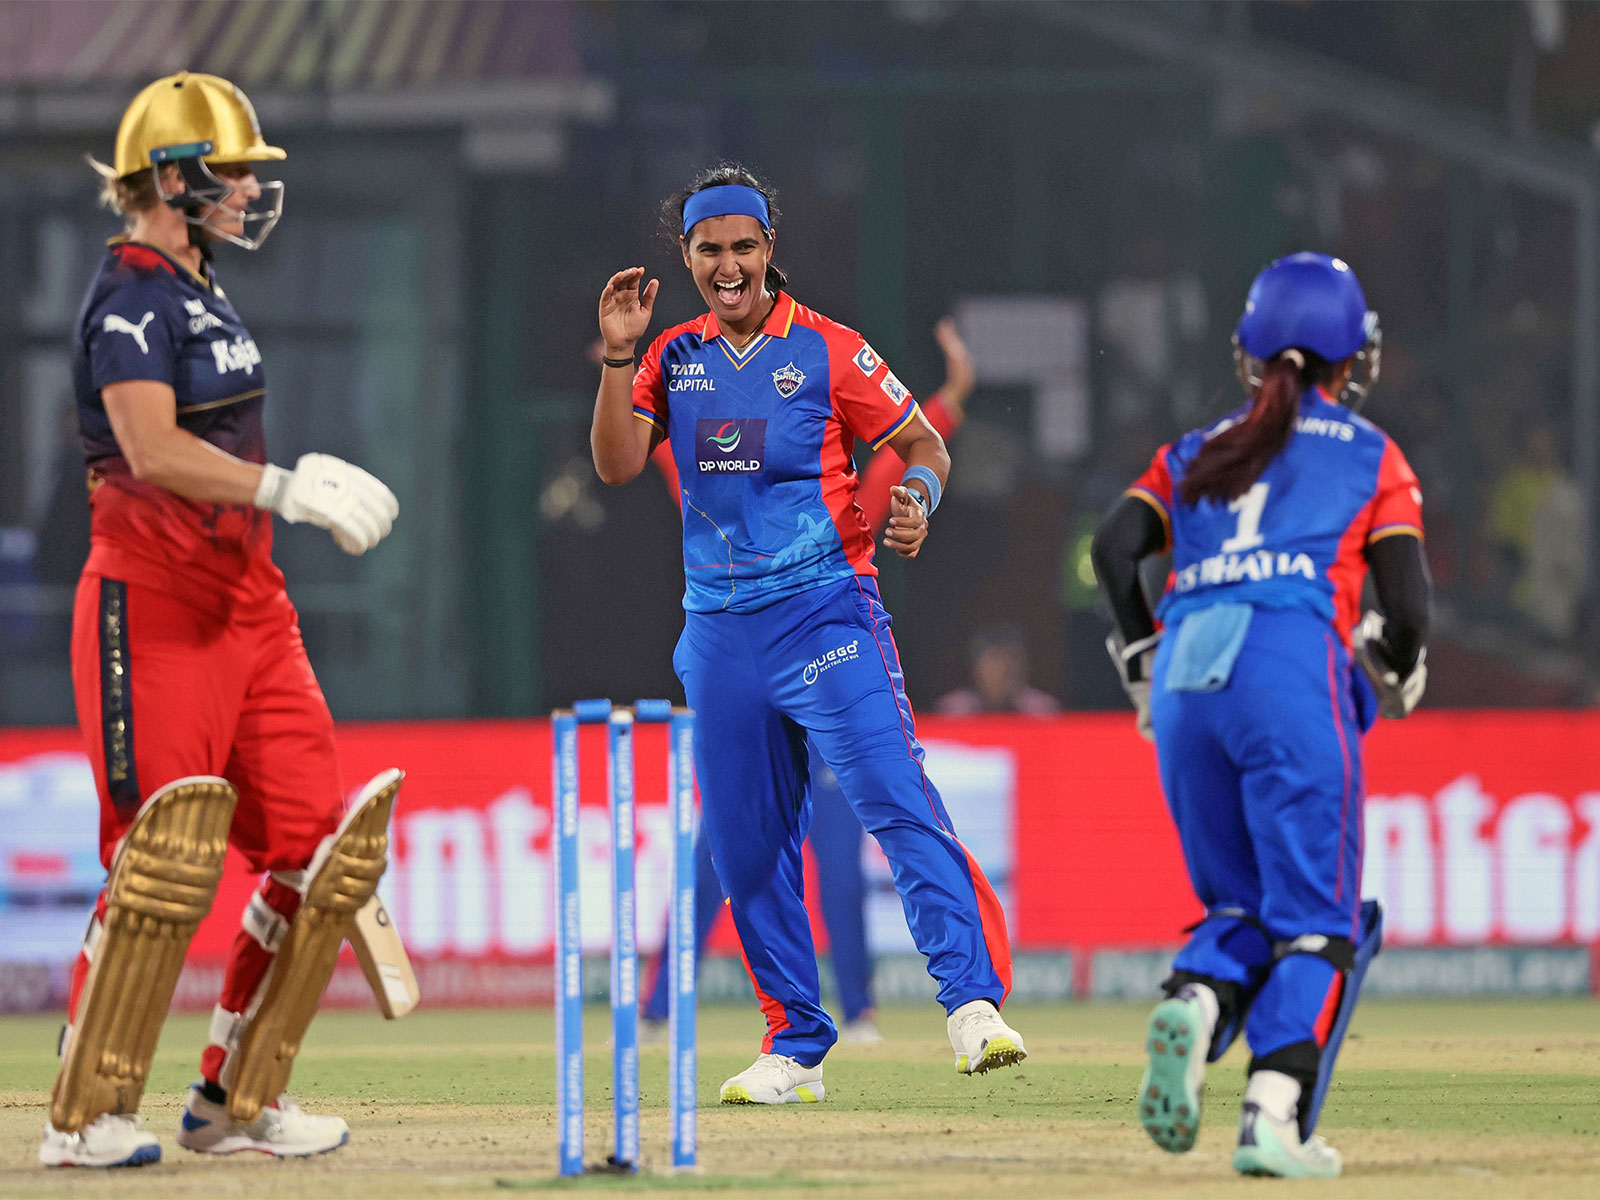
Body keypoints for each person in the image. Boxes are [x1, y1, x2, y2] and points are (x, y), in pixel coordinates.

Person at [592, 164, 1023, 1106]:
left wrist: (916, 495)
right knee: (746, 850)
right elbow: (619, 466)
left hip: (827, 613)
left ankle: (971, 1004)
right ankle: (796, 1042)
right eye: (710, 250)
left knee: (889, 795)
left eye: (744, 246)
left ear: (769, 249)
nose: (729, 264)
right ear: (689, 257)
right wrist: (618, 357)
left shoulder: (830, 350)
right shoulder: (668, 357)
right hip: (718, 636)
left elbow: (924, 446)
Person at [41, 72, 401, 1169]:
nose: (249, 188)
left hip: (252, 607)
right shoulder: (129, 297)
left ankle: (235, 1100)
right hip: (153, 607)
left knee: (319, 858)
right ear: (173, 178)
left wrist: (273, 507)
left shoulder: (201, 287)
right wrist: (284, 489)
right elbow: (148, 449)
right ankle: (83, 1121)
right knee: (159, 867)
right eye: (231, 170)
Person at [1091, 253, 1430, 1179]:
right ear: (1349, 358)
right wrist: (1397, 672)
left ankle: (1197, 1007)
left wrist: (1139, 659)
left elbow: (1113, 550)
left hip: (1188, 670)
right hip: (1288, 661)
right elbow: (1407, 611)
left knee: (1239, 906)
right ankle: (1271, 1120)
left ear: (1249, 354)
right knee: (1319, 920)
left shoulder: (1195, 449)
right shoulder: (1371, 455)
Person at [639, 318, 978, 1044]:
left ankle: (854, 1009)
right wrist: (626, 375)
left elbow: (905, 464)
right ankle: (674, 1007)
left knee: (831, 853)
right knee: (724, 851)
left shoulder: (825, 480)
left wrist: (943, 410)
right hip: (743, 653)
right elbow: (658, 443)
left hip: (824, 660)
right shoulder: (714, 463)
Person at [935, 622, 1061, 716]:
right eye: (996, 660)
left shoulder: (1042, 711)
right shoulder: (952, 712)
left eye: (1012, 659)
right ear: (976, 668)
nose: (1006, 669)